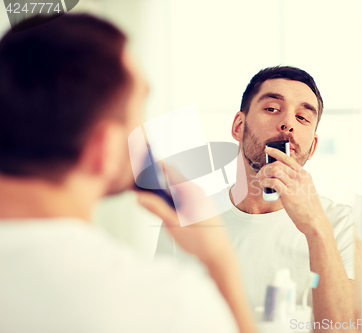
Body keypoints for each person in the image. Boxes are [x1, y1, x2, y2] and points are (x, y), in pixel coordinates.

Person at [0, 14, 256, 333]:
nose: (146, 140)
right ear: (104, 149)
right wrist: (220, 260)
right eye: (138, 117)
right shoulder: (166, 303)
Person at [158, 66, 362, 330]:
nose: (287, 123)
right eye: (272, 109)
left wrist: (316, 228)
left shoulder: (339, 223)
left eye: (302, 117)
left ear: (312, 146)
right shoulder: (188, 219)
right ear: (239, 126)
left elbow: (344, 330)